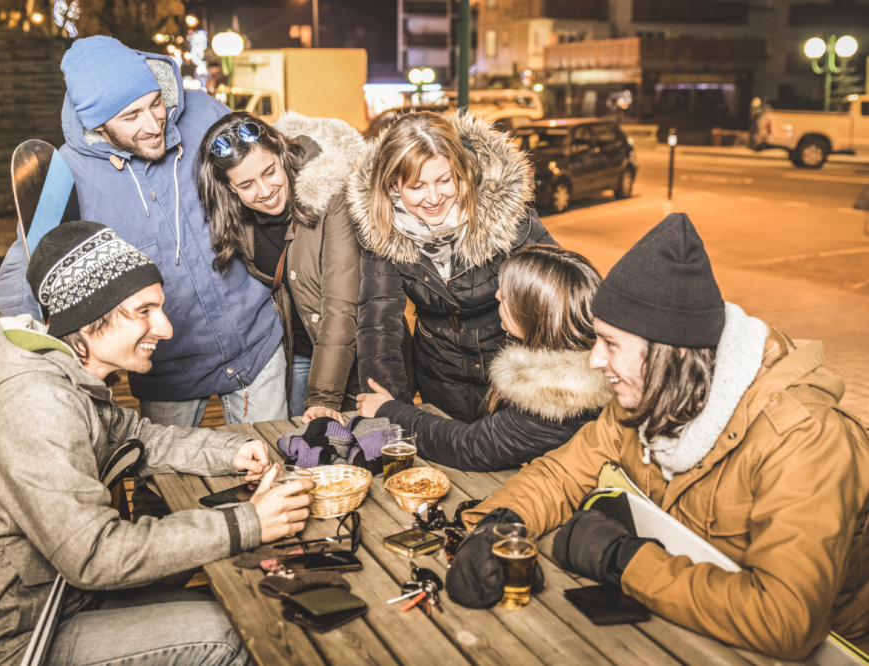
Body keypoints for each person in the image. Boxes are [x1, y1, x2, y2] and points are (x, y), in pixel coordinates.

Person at [446, 213, 869, 660]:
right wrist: (498, 523)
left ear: (672, 352)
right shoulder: (648, 395)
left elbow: (785, 619)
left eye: (611, 344)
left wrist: (624, 559)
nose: (593, 361)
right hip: (684, 628)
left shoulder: (805, 440)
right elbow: (561, 473)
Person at [0, 222, 314, 665]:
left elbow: (137, 437)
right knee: (234, 635)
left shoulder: (63, 372)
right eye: (144, 311)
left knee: (243, 606)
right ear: (90, 321)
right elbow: (95, 555)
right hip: (11, 643)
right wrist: (249, 522)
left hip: (63, 602)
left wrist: (228, 451)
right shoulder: (33, 402)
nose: (165, 329)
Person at [0, 35, 286, 429]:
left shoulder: (201, 114)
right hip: (167, 366)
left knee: (271, 464)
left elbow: (271, 157)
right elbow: (29, 266)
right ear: (96, 123)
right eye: (131, 116)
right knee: (162, 482)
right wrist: (23, 356)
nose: (152, 124)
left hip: (256, 342)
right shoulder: (67, 175)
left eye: (155, 103)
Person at [349, 111, 557, 424]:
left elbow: (559, 299)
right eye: (417, 186)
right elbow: (379, 325)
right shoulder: (381, 227)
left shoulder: (506, 216)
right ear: (394, 185)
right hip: (440, 379)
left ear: (461, 171)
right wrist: (391, 416)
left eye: (444, 180)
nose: (434, 198)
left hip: (513, 384)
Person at [355, 244, 613, 471]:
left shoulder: (559, 393)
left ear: (536, 312)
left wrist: (388, 411)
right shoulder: (583, 359)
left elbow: (470, 445)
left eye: (508, 294)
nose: (498, 295)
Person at [195, 111, 362, 422]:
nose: (264, 191)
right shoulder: (235, 221)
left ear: (282, 155)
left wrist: (323, 397)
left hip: (355, 351)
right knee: (301, 450)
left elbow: (341, 306)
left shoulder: (330, 195)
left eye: (269, 172)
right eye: (246, 184)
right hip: (297, 352)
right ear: (230, 189)